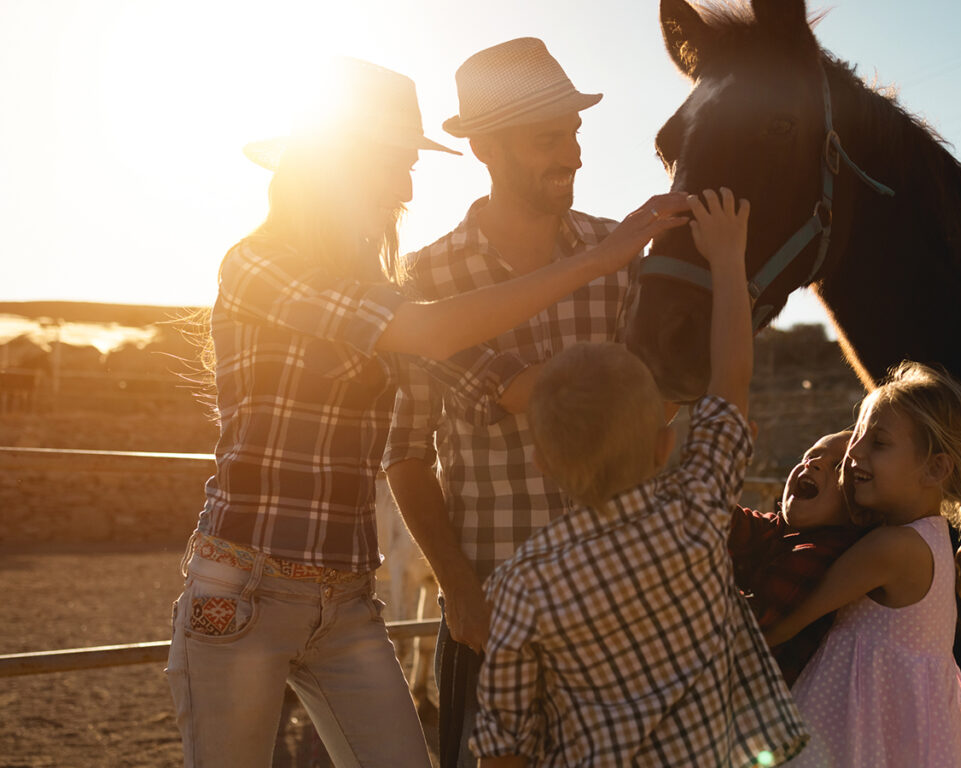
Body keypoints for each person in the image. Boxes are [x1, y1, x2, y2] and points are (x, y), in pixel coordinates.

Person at [164, 56, 688, 768]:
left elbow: (503, 381)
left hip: (349, 599)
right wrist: (598, 261)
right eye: (394, 165)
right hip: (244, 588)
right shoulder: (258, 265)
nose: (408, 188)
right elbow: (433, 334)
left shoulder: (385, 290)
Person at [382, 37, 677, 767]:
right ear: (485, 147)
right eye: (549, 138)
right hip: (492, 609)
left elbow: (655, 410)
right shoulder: (424, 279)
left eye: (573, 132)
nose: (572, 154)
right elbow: (406, 454)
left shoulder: (622, 259)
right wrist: (458, 588)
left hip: (617, 606)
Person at [470, 189, 808, 767]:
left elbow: (503, 748)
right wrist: (728, 260)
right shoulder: (698, 512)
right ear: (663, 445)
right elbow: (731, 380)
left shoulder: (518, 586)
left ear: (543, 462)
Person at [767, 362, 961, 767]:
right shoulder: (932, 538)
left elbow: (789, 620)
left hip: (851, 734)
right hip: (906, 738)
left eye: (878, 443)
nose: (854, 453)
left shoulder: (892, 548)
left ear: (935, 468)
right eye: (858, 435)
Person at [728, 430, 871, 685]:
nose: (813, 463)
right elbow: (729, 522)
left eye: (838, 466)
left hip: (753, 693)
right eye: (810, 455)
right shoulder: (780, 529)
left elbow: (751, 619)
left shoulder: (823, 553)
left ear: (857, 509)